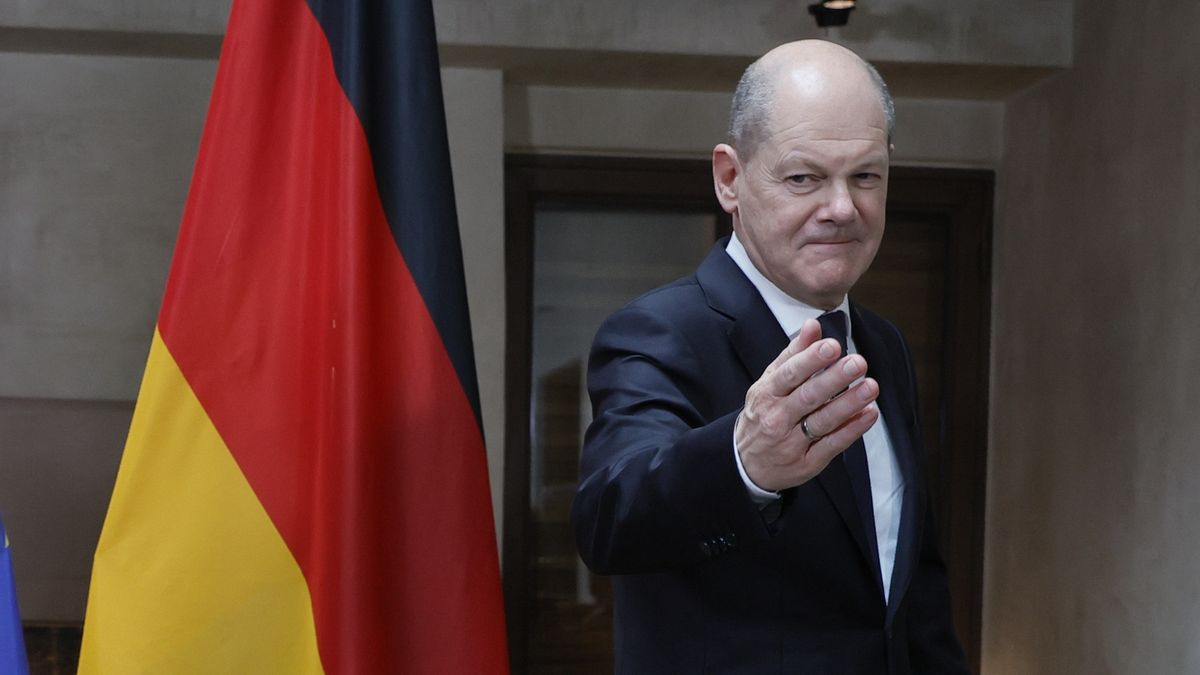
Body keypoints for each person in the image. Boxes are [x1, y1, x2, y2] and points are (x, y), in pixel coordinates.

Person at [571, 40, 970, 674]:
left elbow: (909, 584)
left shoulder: (884, 346)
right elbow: (609, 520)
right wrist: (743, 463)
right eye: (804, 177)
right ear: (730, 179)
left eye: (865, 175)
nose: (842, 208)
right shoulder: (659, 331)